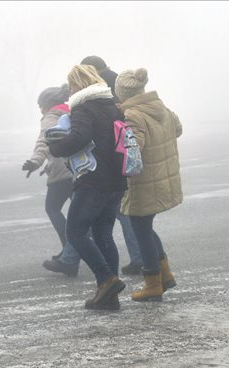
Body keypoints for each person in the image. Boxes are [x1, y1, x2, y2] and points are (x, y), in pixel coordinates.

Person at [48, 65, 127, 310]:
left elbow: (80, 137)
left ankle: (106, 280)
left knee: (76, 232)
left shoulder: (83, 107)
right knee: (103, 235)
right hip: (116, 179)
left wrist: (56, 148)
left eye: (72, 85)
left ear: (79, 85)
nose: (70, 90)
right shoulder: (112, 106)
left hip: (92, 179)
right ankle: (109, 297)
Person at [114, 68, 183, 302]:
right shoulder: (159, 106)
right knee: (145, 227)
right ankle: (165, 275)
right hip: (163, 176)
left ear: (121, 93)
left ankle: (153, 283)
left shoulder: (132, 114)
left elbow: (135, 149)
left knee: (140, 228)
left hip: (143, 183)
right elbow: (179, 128)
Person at [80, 55, 143, 275]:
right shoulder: (116, 82)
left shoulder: (100, 88)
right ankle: (140, 257)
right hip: (120, 162)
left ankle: (137, 259)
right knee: (121, 214)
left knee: (117, 216)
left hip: (110, 163)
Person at [22, 84, 80, 277]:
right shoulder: (72, 112)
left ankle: (69, 249)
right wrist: (48, 165)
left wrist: (35, 161)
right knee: (79, 214)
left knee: (52, 208)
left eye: (41, 105)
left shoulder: (50, 117)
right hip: (78, 169)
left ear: (48, 104)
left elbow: (44, 141)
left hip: (62, 174)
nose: (40, 109)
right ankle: (70, 252)